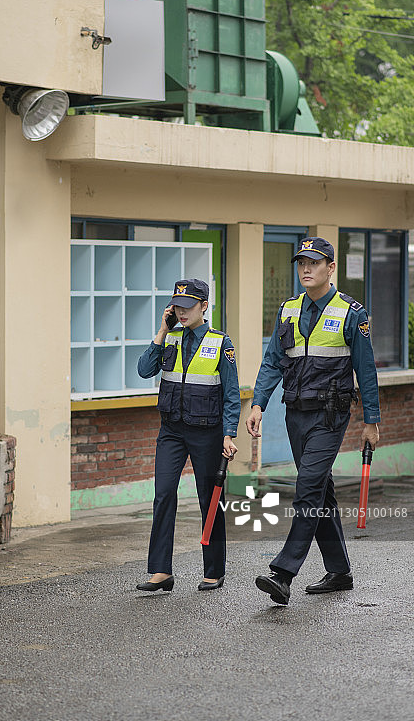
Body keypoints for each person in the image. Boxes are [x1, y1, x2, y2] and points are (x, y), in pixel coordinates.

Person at [246, 238, 380, 605]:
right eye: (302, 262)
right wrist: (258, 403)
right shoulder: (288, 309)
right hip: (295, 414)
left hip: (330, 415)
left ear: (331, 268)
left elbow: (365, 370)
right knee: (321, 490)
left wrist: (371, 421)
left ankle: (283, 573)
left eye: (315, 263)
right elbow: (273, 359)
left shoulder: (352, 312)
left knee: (307, 489)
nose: (306, 269)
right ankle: (339, 571)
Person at [136, 278, 241, 592]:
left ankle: (214, 569)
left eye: (187, 306)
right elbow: (144, 370)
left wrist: (229, 433)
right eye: (176, 306)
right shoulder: (170, 338)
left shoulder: (221, 343)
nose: (181, 312)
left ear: (204, 306)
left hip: (207, 432)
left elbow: (232, 393)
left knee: (210, 499)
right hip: (171, 430)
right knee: (164, 494)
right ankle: (160, 571)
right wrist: (162, 331)